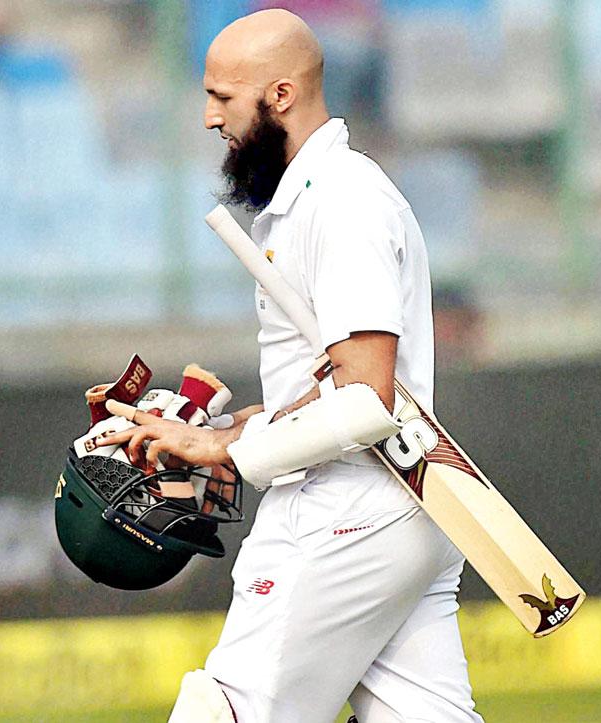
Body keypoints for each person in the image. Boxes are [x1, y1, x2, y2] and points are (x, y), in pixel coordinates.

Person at [102, 9, 483, 723]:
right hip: (402, 505)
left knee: (225, 713)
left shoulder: (342, 200)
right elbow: (334, 378)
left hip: (344, 512)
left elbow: (367, 398)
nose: (209, 117)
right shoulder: (311, 196)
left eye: (222, 97)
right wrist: (235, 420)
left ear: (279, 95)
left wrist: (226, 446)